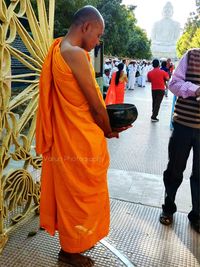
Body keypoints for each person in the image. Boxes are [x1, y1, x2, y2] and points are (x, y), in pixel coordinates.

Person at [36, 6, 129, 267]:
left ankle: (70, 246)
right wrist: (108, 129)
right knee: (81, 197)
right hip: (78, 140)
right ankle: (70, 250)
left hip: (69, 136)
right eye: (98, 35)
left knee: (71, 195)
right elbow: (96, 104)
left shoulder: (57, 49)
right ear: (86, 27)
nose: (97, 42)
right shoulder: (75, 54)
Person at [159, 48, 200, 234]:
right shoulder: (192, 55)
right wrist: (195, 89)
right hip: (183, 125)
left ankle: (197, 215)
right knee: (175, 169)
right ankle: (168, 207)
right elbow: (174, 84)